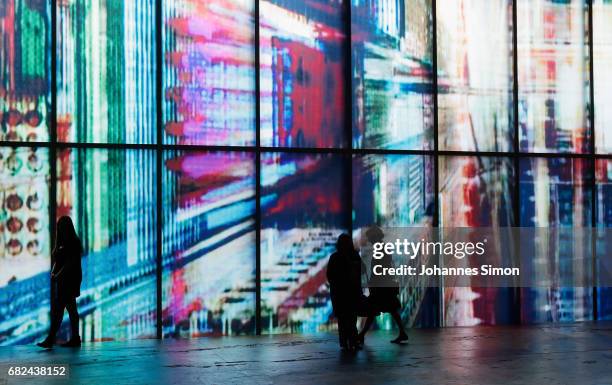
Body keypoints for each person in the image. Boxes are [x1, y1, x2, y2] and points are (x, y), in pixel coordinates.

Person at [37, 216, 83, 348]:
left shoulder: (73, 242)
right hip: (64, 280)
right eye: (59, 227)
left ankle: (52, 339)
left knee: (62, 310)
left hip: (70, 280)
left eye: (62, 227)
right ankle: (73, 338)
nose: (60, 230)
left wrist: (57, 274)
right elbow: (59, 262)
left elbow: (69, 264)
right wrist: (54, 272)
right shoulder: (63, 242)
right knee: (69, 309)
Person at [358, 226, 408, 344]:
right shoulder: (383, 248)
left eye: (370, 237)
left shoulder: (381, 249)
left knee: (373, 310)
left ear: (375, 237)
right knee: (389, 309)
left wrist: (373, 282)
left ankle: (361, 335)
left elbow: (380, 269)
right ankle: (402, 332)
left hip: (381, 287)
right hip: (383, 286)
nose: (369, 240)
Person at [327, 233, 362, 351]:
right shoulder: (355, 256)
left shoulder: (334, 257)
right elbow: (360, 274)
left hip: (339, 293)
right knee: (352, 318)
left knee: (343, 319)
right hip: (352, 292)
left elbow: (330, 276)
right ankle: (353, 341)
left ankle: (345, 342)